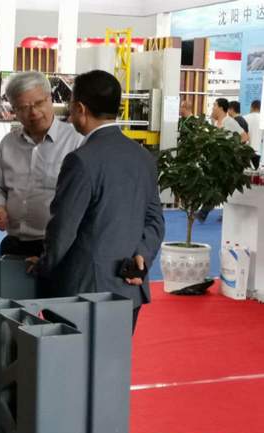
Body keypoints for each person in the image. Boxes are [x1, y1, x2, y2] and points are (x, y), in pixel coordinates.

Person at [26, 70, 165, 332]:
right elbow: (155, 220)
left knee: (73, 357)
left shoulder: (81, 160)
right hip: (128, 288)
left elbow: (63, 228)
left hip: (82, 293)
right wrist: (142, 256)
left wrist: (44, 265)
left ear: (80, 108)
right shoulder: (143, 156)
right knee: (114, 357)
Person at [0, 71, 83, 257]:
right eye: (24, 107)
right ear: (14, 109)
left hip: (58, 248)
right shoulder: (8, 143)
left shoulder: (76, 141)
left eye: (39, 103)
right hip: (14, 245)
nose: (34, 113)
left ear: (50, 98)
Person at [244, 100, 263, 169]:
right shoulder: (263, 120)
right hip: (257, 151)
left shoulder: (244, 118)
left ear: (251, 107)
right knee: (255, 172)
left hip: (245, 150)